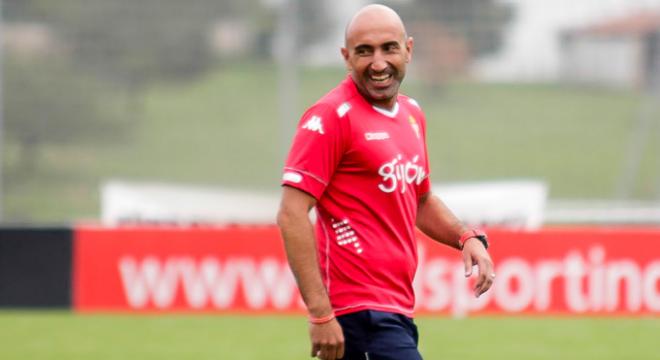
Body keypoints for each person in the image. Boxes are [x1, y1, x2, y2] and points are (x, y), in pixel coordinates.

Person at [276, 4, 494, 360]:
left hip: (396, 308)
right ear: (347, 57)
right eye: (364, 51)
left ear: (408, 49)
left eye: (388, 48)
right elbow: (291, 214)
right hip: (357, 314)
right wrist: (320, 313)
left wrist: (465, 237)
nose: (378, 63)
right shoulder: (330, 117)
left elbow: (420, 200)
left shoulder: (412, 114)